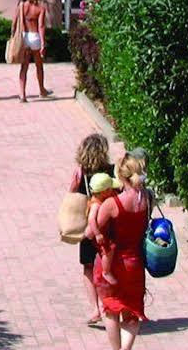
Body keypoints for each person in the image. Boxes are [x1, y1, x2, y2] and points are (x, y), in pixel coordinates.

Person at [96, 154, 150, 350]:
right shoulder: (147, 199)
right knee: (132, 312)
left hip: (114, 262)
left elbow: (94, 230)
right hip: (136, 262)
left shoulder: (113, 204)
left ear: (121, 176)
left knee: (111, 309)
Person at [69, 132, 114, 326]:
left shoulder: (82, 176)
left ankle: (95, 308)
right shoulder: (112, 172)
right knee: (109, 267)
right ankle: (109, 305)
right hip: (108, 226)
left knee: (88, 267)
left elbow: (71, 202)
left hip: (88, 227)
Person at [18, 0, 52, 102]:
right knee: (39, 65)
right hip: (35, 36)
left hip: (24, 36)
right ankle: (42, 90)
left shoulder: (22, 5)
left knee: (24, 66)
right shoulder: (41, 9)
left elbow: (16, 21)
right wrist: (43, 43)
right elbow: (41, 26)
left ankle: (22, 94)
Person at [86, 173, 122, 285]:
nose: (113, 190)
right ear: (103, 192)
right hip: (101, 234)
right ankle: (106, 271)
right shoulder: (96, 205)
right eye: (110, 189)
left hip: (105, 231)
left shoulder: (101, 198)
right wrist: (97, 234)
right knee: (108, 250)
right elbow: (91, 219)